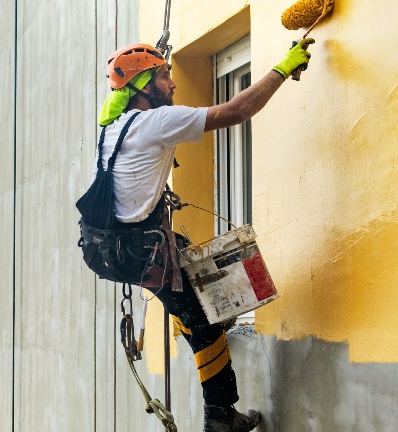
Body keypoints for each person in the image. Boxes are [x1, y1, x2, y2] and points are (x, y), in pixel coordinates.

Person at [93, 39, 314, 432]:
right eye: (165, 76)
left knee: (191, 288)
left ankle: (193, 322)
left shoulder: (113, 129)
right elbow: (238, 110)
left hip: (117, 248)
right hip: (143, 250)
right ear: (143, 87)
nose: (174, 84)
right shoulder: (154, 122)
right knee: (205, 318)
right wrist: (282, 67)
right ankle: (220, 417)